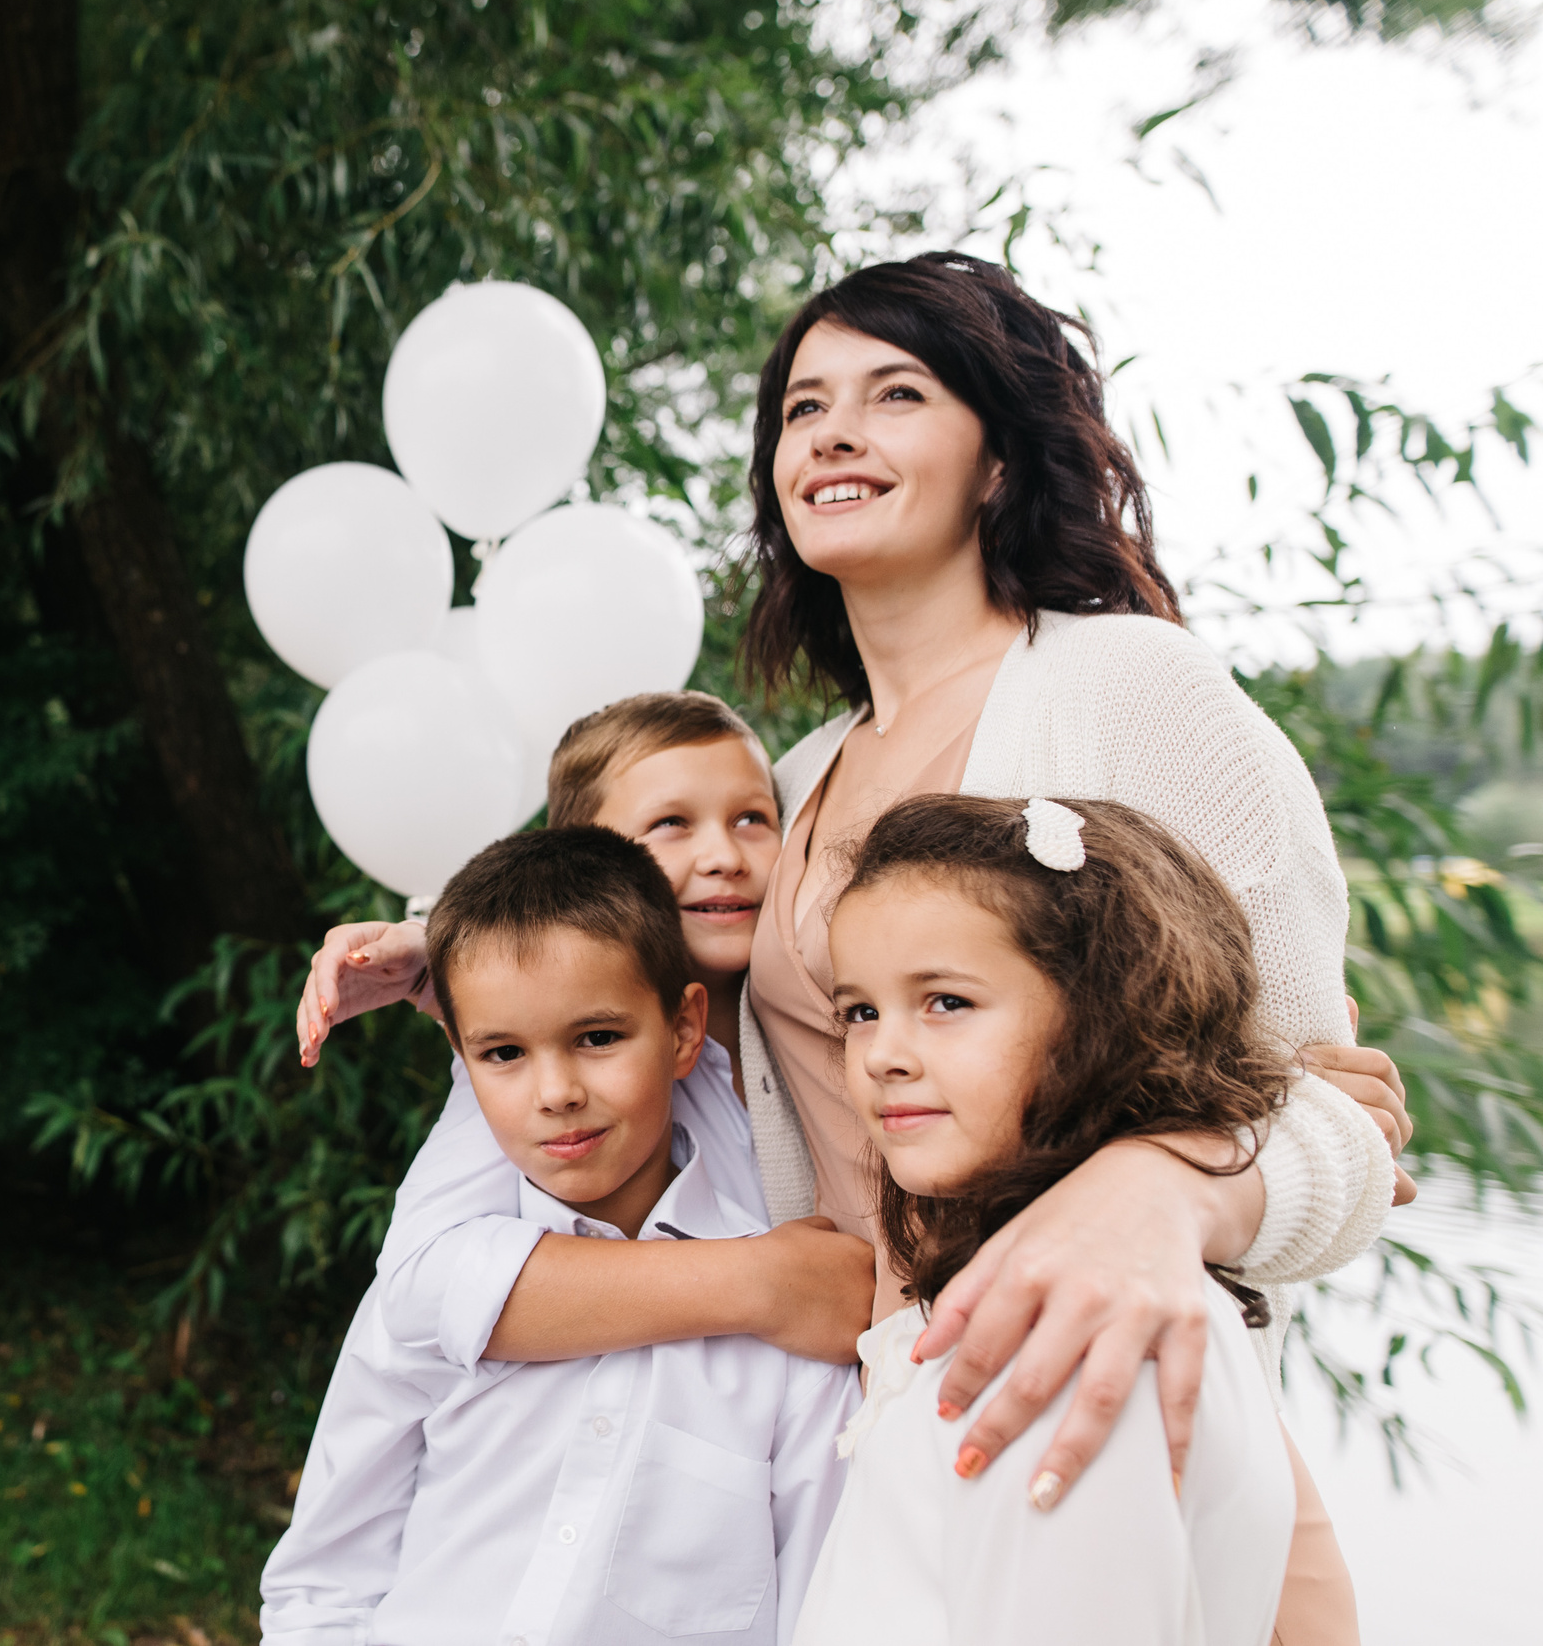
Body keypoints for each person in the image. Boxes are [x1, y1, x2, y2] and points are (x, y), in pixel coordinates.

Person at [298, 254, 1414, 1641]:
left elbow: (1343, 1123)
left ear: (999, 458)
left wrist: (1159, 1192)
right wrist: (451, 939)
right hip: (886, 1420)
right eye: (802, 406)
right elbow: (663, 965)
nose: (832, 431)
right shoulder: (804, 778)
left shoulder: (1135, 691)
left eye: (896, 393)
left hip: (1107, 1412)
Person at [261, 826, 859, 1646]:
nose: (556, 1092)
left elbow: (820, 1613)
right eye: (503, 1052)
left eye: (599, 1037)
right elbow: (323, 1581)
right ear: (462, 1061)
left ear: (685, 1031)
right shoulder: (432, 1292)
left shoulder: (785, 1333)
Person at [791, 793, 1296, 1645]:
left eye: (946, 1001)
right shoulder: (1042, 1287)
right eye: (860, 1011)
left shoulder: (1078, 1329)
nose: (882, 1054)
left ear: (1103, 1013)